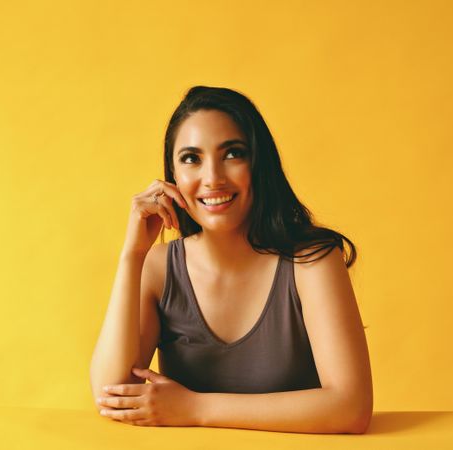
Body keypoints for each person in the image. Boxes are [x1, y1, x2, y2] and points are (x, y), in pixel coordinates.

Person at [89, 86, 372, 434]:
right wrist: (132, 256)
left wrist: (195, 407)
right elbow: (110, 395)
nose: (213, 179)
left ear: (259, 164)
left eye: (233, 153)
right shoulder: (159, 268)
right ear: (173, 176)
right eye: (191, 158)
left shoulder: (311, 262)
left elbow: (351, 407)